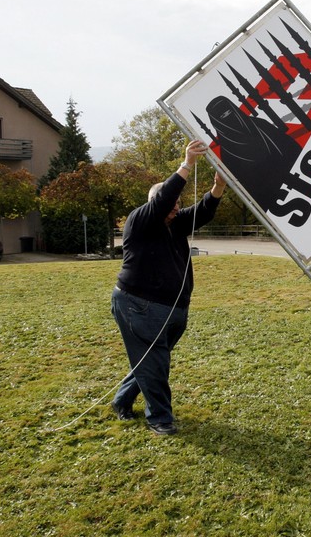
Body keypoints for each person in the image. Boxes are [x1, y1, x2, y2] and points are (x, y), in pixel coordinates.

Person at [110, 139, 227, 436]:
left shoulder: (175, 222)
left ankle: (122, 400)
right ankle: (160, 418)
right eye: (171, 203)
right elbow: (164, 199)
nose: (176, 208)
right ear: (156, 203)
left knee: (151, 359)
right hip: (138, 305)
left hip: (172, 309)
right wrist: (187, 163)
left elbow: (203, 210)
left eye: (177, 204)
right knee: (155, 363)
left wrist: (218, 187)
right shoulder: (141, 220)